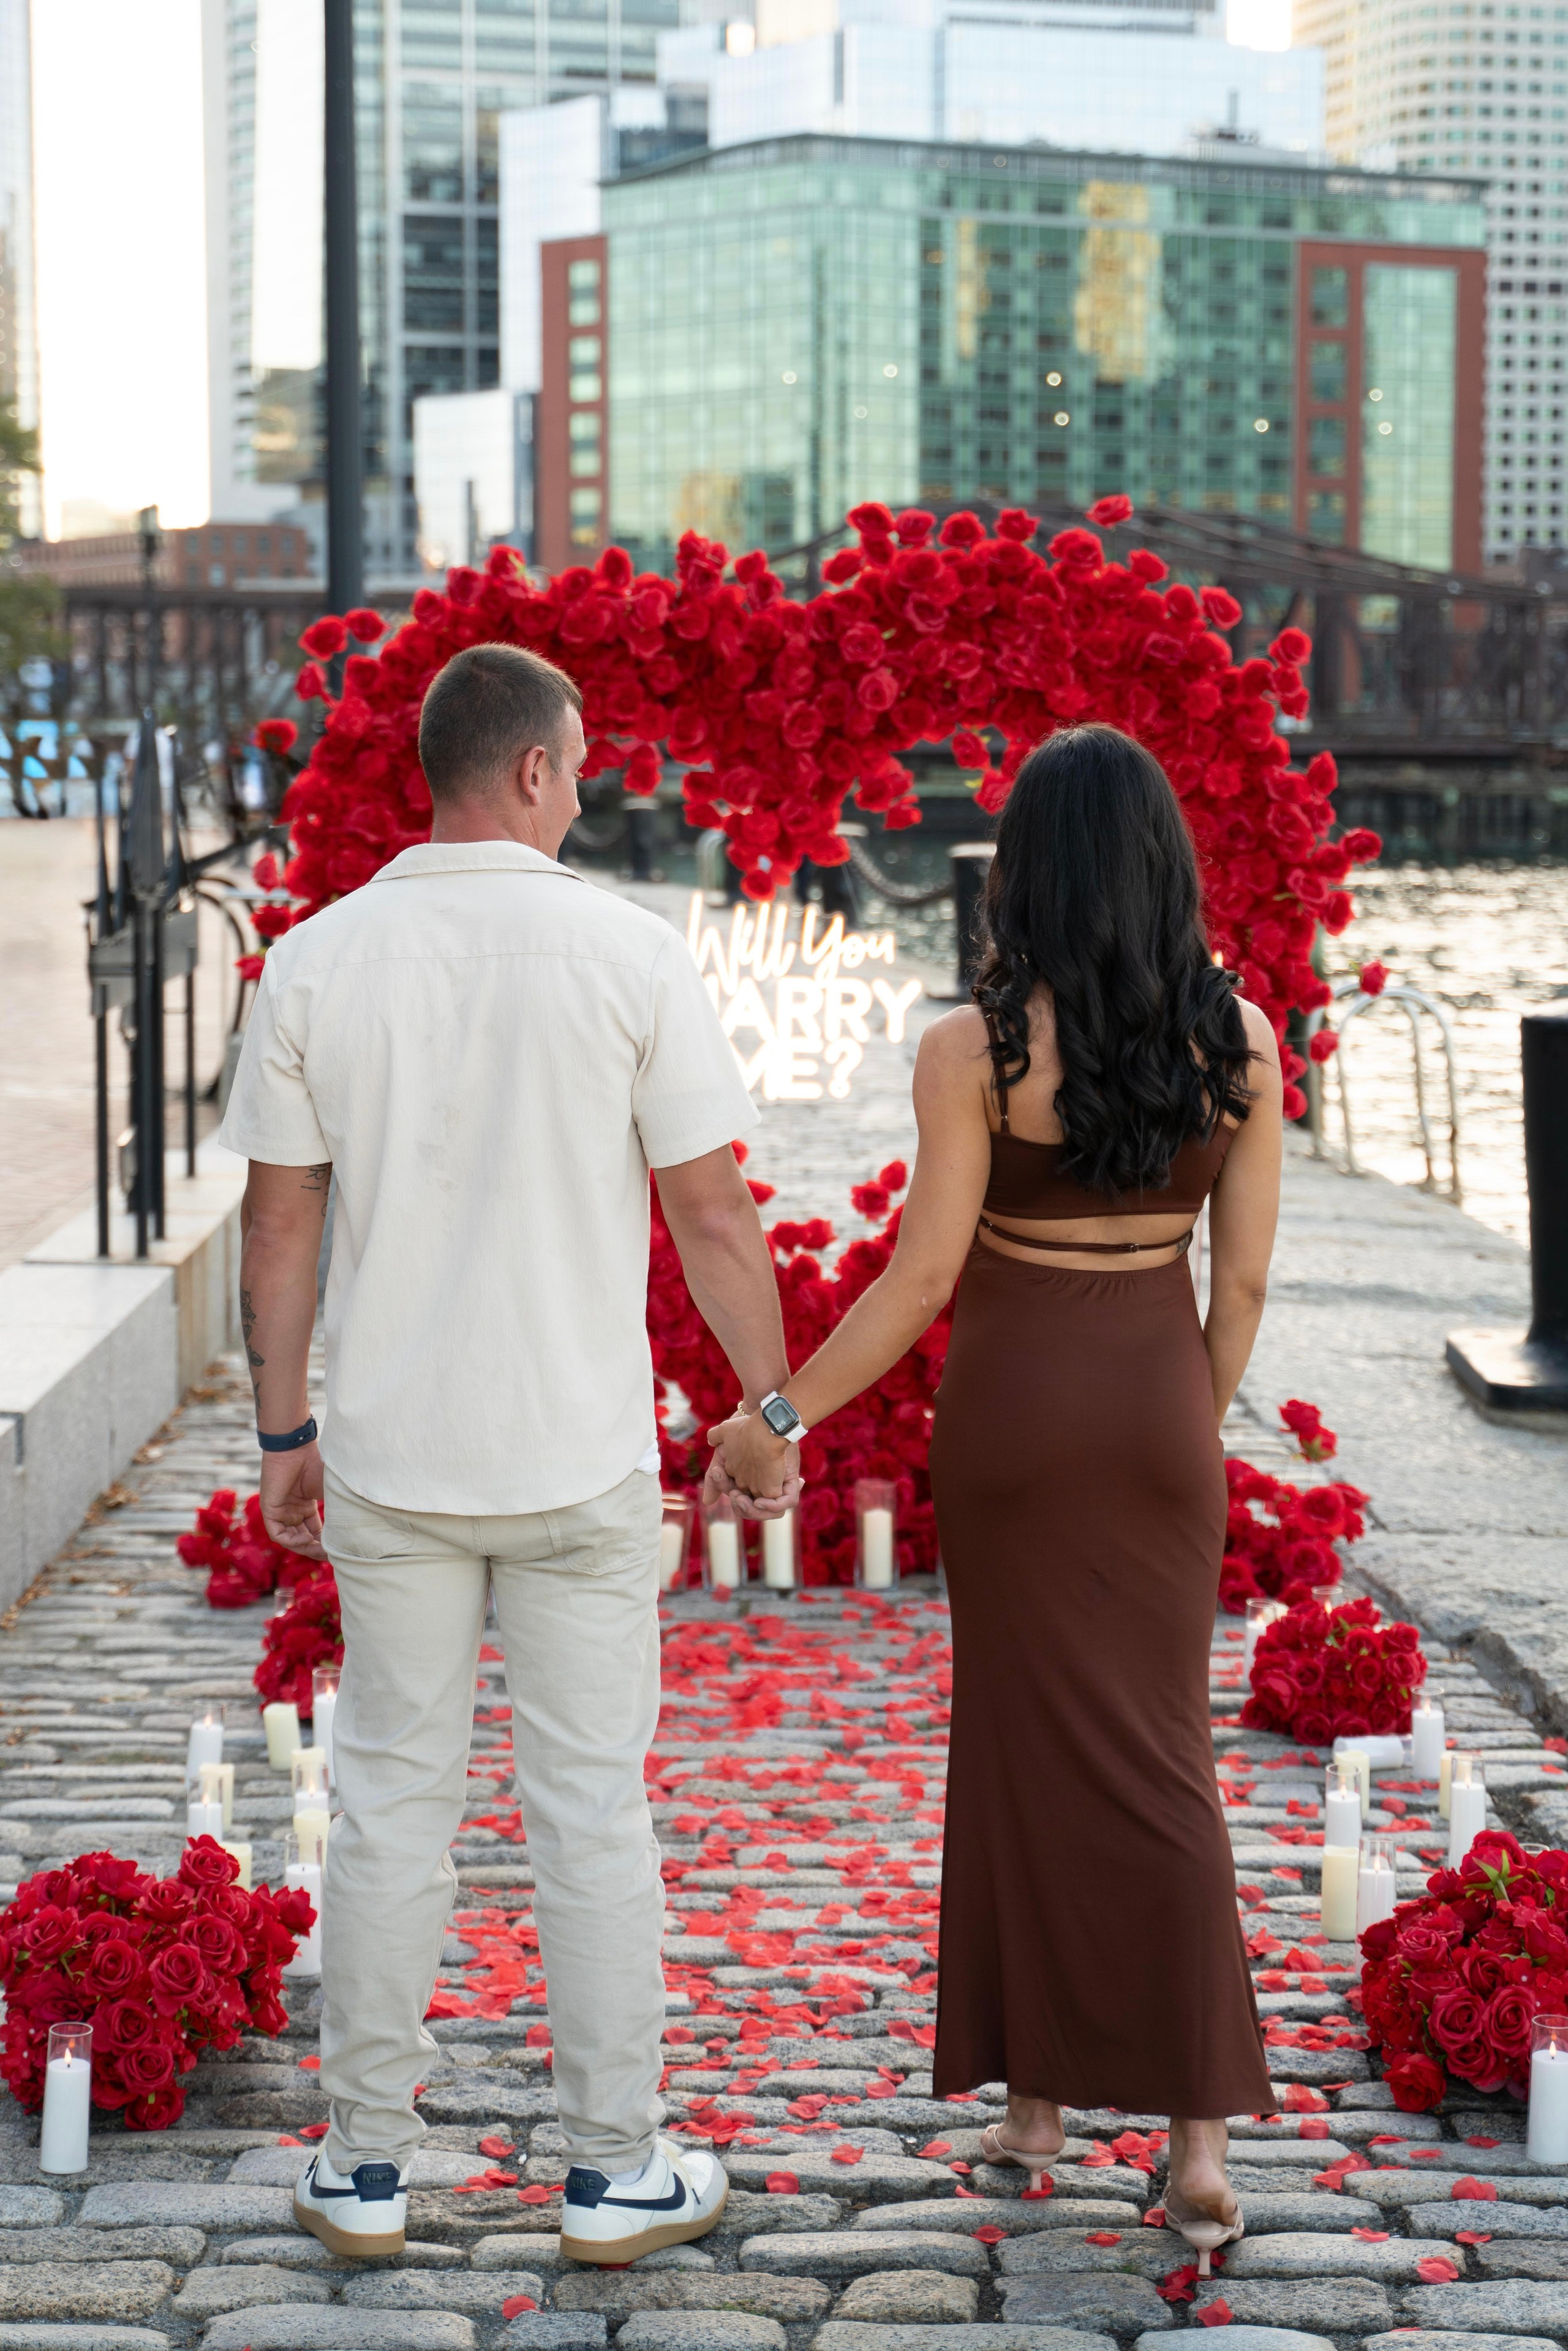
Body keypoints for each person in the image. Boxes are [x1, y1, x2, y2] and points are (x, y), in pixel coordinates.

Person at [219, 642, 796, 2266]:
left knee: (393, 1800)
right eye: (584, 760)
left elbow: (278, 1221)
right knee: (590, 1813)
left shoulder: (318, 957)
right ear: (535, 770)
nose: (590, 785)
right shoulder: (631, 950)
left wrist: (283, 1430)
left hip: (395, 1451)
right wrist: (772, 1412)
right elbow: (709, 1208)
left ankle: (366, 2166)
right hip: (576, 1452)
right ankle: (614, 2167)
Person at [710, 723, 1283, 2268]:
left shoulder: (972, 1050)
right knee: (1164, 1755)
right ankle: (1197, 2142)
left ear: (1022, 867)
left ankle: (1034, 2111)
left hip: (1011, 1420)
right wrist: (1173, 1425)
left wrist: (775, 1413)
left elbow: (919, 1279)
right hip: (1157, 1410)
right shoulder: (1241, 1042)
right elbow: (1235, 1289)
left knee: (1020, 1740)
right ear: (1162, 864)